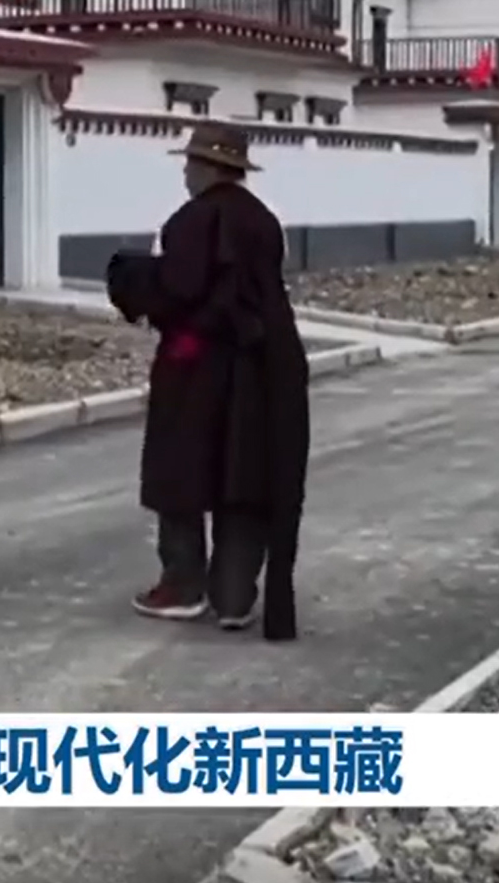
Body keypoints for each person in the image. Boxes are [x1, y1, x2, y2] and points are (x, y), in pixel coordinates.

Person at [104, 122, 312, 641]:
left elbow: (179, 289)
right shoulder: (265, 222)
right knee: (245, 476)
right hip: (261, 370)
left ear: (208, 168)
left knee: (181, 471)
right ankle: (236, 597)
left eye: (189, 163)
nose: (185, 172)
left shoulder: (192, 220)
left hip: (197, 368)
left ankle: (183, 585)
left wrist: (130, 279)